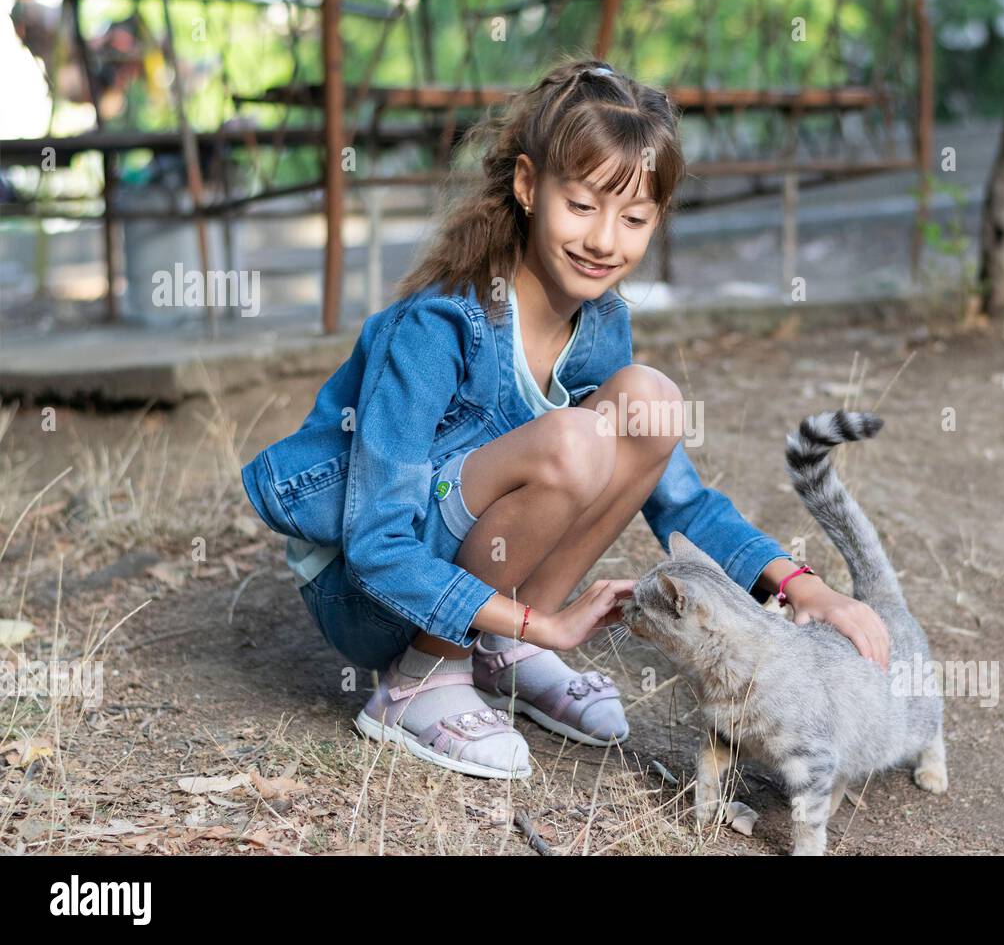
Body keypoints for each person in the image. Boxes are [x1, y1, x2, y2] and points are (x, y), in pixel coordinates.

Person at [240, 57, 891, 781]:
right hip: (367, 595)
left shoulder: (601, 326)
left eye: (634, 218)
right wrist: (543, 623)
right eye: (581, 206)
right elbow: (375, 545)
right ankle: (421, 680)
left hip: (468, 582)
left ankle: (499, 655)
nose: (605, 240)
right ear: (527, 185)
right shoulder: (438, 325)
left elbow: (682, 502)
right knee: (574, 443)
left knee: (651, 401)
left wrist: (804, 587)